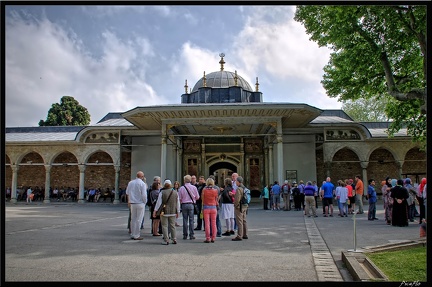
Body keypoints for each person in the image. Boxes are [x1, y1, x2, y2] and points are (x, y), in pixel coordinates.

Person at [153, 179, 180, 245]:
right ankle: (174, 239)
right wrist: (178, 211)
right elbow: (178, 202)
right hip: (173, 211)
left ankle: (166, 239)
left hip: (164, 211)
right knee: (172, 225)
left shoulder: (162, 192)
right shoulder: (175, 192)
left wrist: (155, 210)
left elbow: (158, 203)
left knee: (164, 225)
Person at [126, 171, 147, 240]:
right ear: (142, 176)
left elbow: (127, 192)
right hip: (140, 203)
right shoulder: (142, 184)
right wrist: (145, 202)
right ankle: (137, 234)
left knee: (133, 219)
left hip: (133, 203)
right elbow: (144, 195)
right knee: (139, 219)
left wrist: (129, 200)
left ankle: (132, 233)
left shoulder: (131, 183)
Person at [178, 175, 199, 240]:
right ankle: (191, 235)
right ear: (190, 180)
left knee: (185, 220)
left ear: (184, 180)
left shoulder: (181, 188)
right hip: (191, 204)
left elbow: (179, 198)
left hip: (184, 204)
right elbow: (197, 197)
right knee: (191, 220)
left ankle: (185, 235)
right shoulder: (194, 187)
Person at [201, 177, 219, 243]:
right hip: (213, 207)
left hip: (206, 207)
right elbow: (216, 199)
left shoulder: (204, 190)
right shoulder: (215, 190)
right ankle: (213, 237)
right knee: (214, 223)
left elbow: (202, 198)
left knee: (207, 223)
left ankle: (208, 237)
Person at [232, 176, 248, 241]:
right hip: (245, 205)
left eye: (236, 181)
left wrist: (235, 205)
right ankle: (245, 234)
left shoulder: (239, 189)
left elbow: (237, 199)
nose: (235, 182)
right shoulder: (244, 187)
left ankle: (239, 235)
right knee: (244, 220)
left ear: (238, 181)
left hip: (240, 207)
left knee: (239, 221)